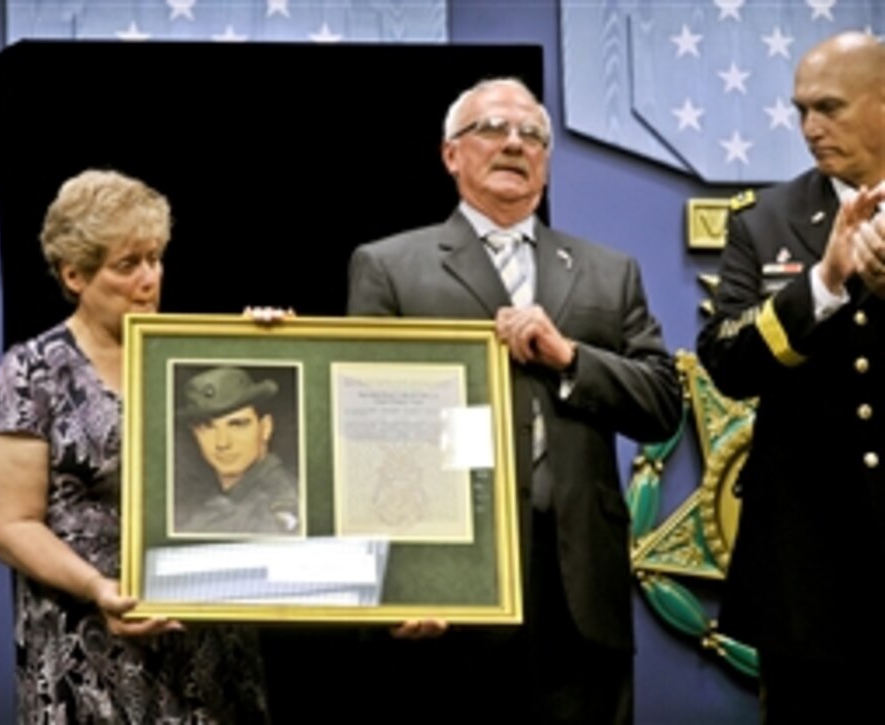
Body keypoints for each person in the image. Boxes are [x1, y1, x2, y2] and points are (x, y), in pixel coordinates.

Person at [346, 77, 681, 723]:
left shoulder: (609, 272)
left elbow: (662, 402)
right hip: (449, 587)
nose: (514, 144)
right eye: (492, 130)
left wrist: (570, 357)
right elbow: (364, 434)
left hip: (579, 588)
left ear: (548, 162)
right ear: (451, 154)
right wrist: (394, 584)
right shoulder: (391, 265)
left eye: (532, 135)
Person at [0, 169, 268, 723]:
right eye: (126, 265)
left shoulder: (192, 359)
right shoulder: (32, 371)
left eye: (155, 258)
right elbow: (7, 524)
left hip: (208, 643)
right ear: (75, 275)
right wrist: (98, 587)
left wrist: (275, 347)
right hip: (90, 644)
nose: (148, 279)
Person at [696, 32, 885, 722]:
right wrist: (826, 282)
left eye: (829, 107)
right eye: (801, 109)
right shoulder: (766, 220)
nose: (810, 127)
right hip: (809, 568)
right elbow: (725, 359)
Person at [175, 365, 300, 536]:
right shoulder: (224, 501)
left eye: (237, 424)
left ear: (265, 428)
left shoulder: (281, 502)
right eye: (207, 427)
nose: (222, 442)